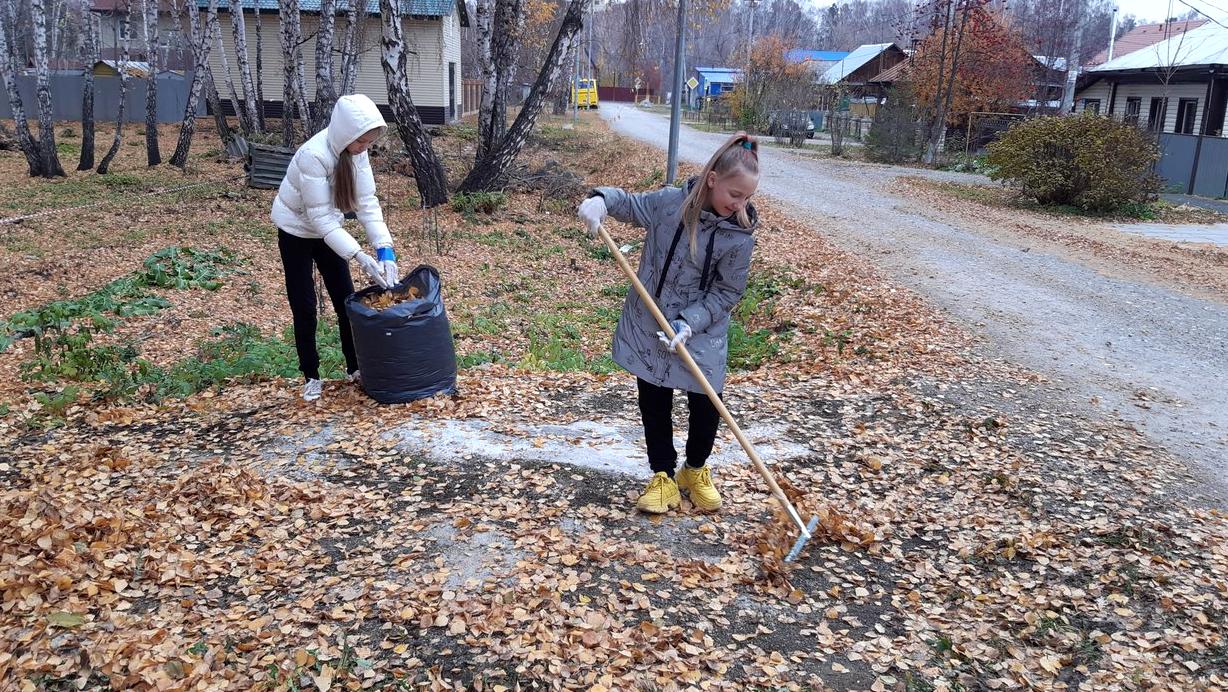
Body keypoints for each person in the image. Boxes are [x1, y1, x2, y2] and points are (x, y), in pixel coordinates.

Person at [578, 132, 760, 514]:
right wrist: (601, 200)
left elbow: (728, 293)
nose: (739, 204)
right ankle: (662, 475)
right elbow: (628, 204)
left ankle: (694, 471)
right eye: (734, 195)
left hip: (702, 331)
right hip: (651, 322)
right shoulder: (668, 205)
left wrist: (690, 323)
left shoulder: (739, 235)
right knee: (654, 400)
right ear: (713, 179)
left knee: (708, 404)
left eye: (746, 198)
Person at [271, 94, 400, 402]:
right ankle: (311, 375)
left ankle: (354, 366)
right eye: (361, 143)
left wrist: (384, 249)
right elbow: (321, 220)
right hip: (296, 232)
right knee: (304, 307)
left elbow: (367, 202)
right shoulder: (313, 156)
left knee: (346, 302)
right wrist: (358, 256)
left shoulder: (356, 153)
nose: (364, 149)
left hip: (329, 231)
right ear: (346, 136)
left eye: (368, 143)